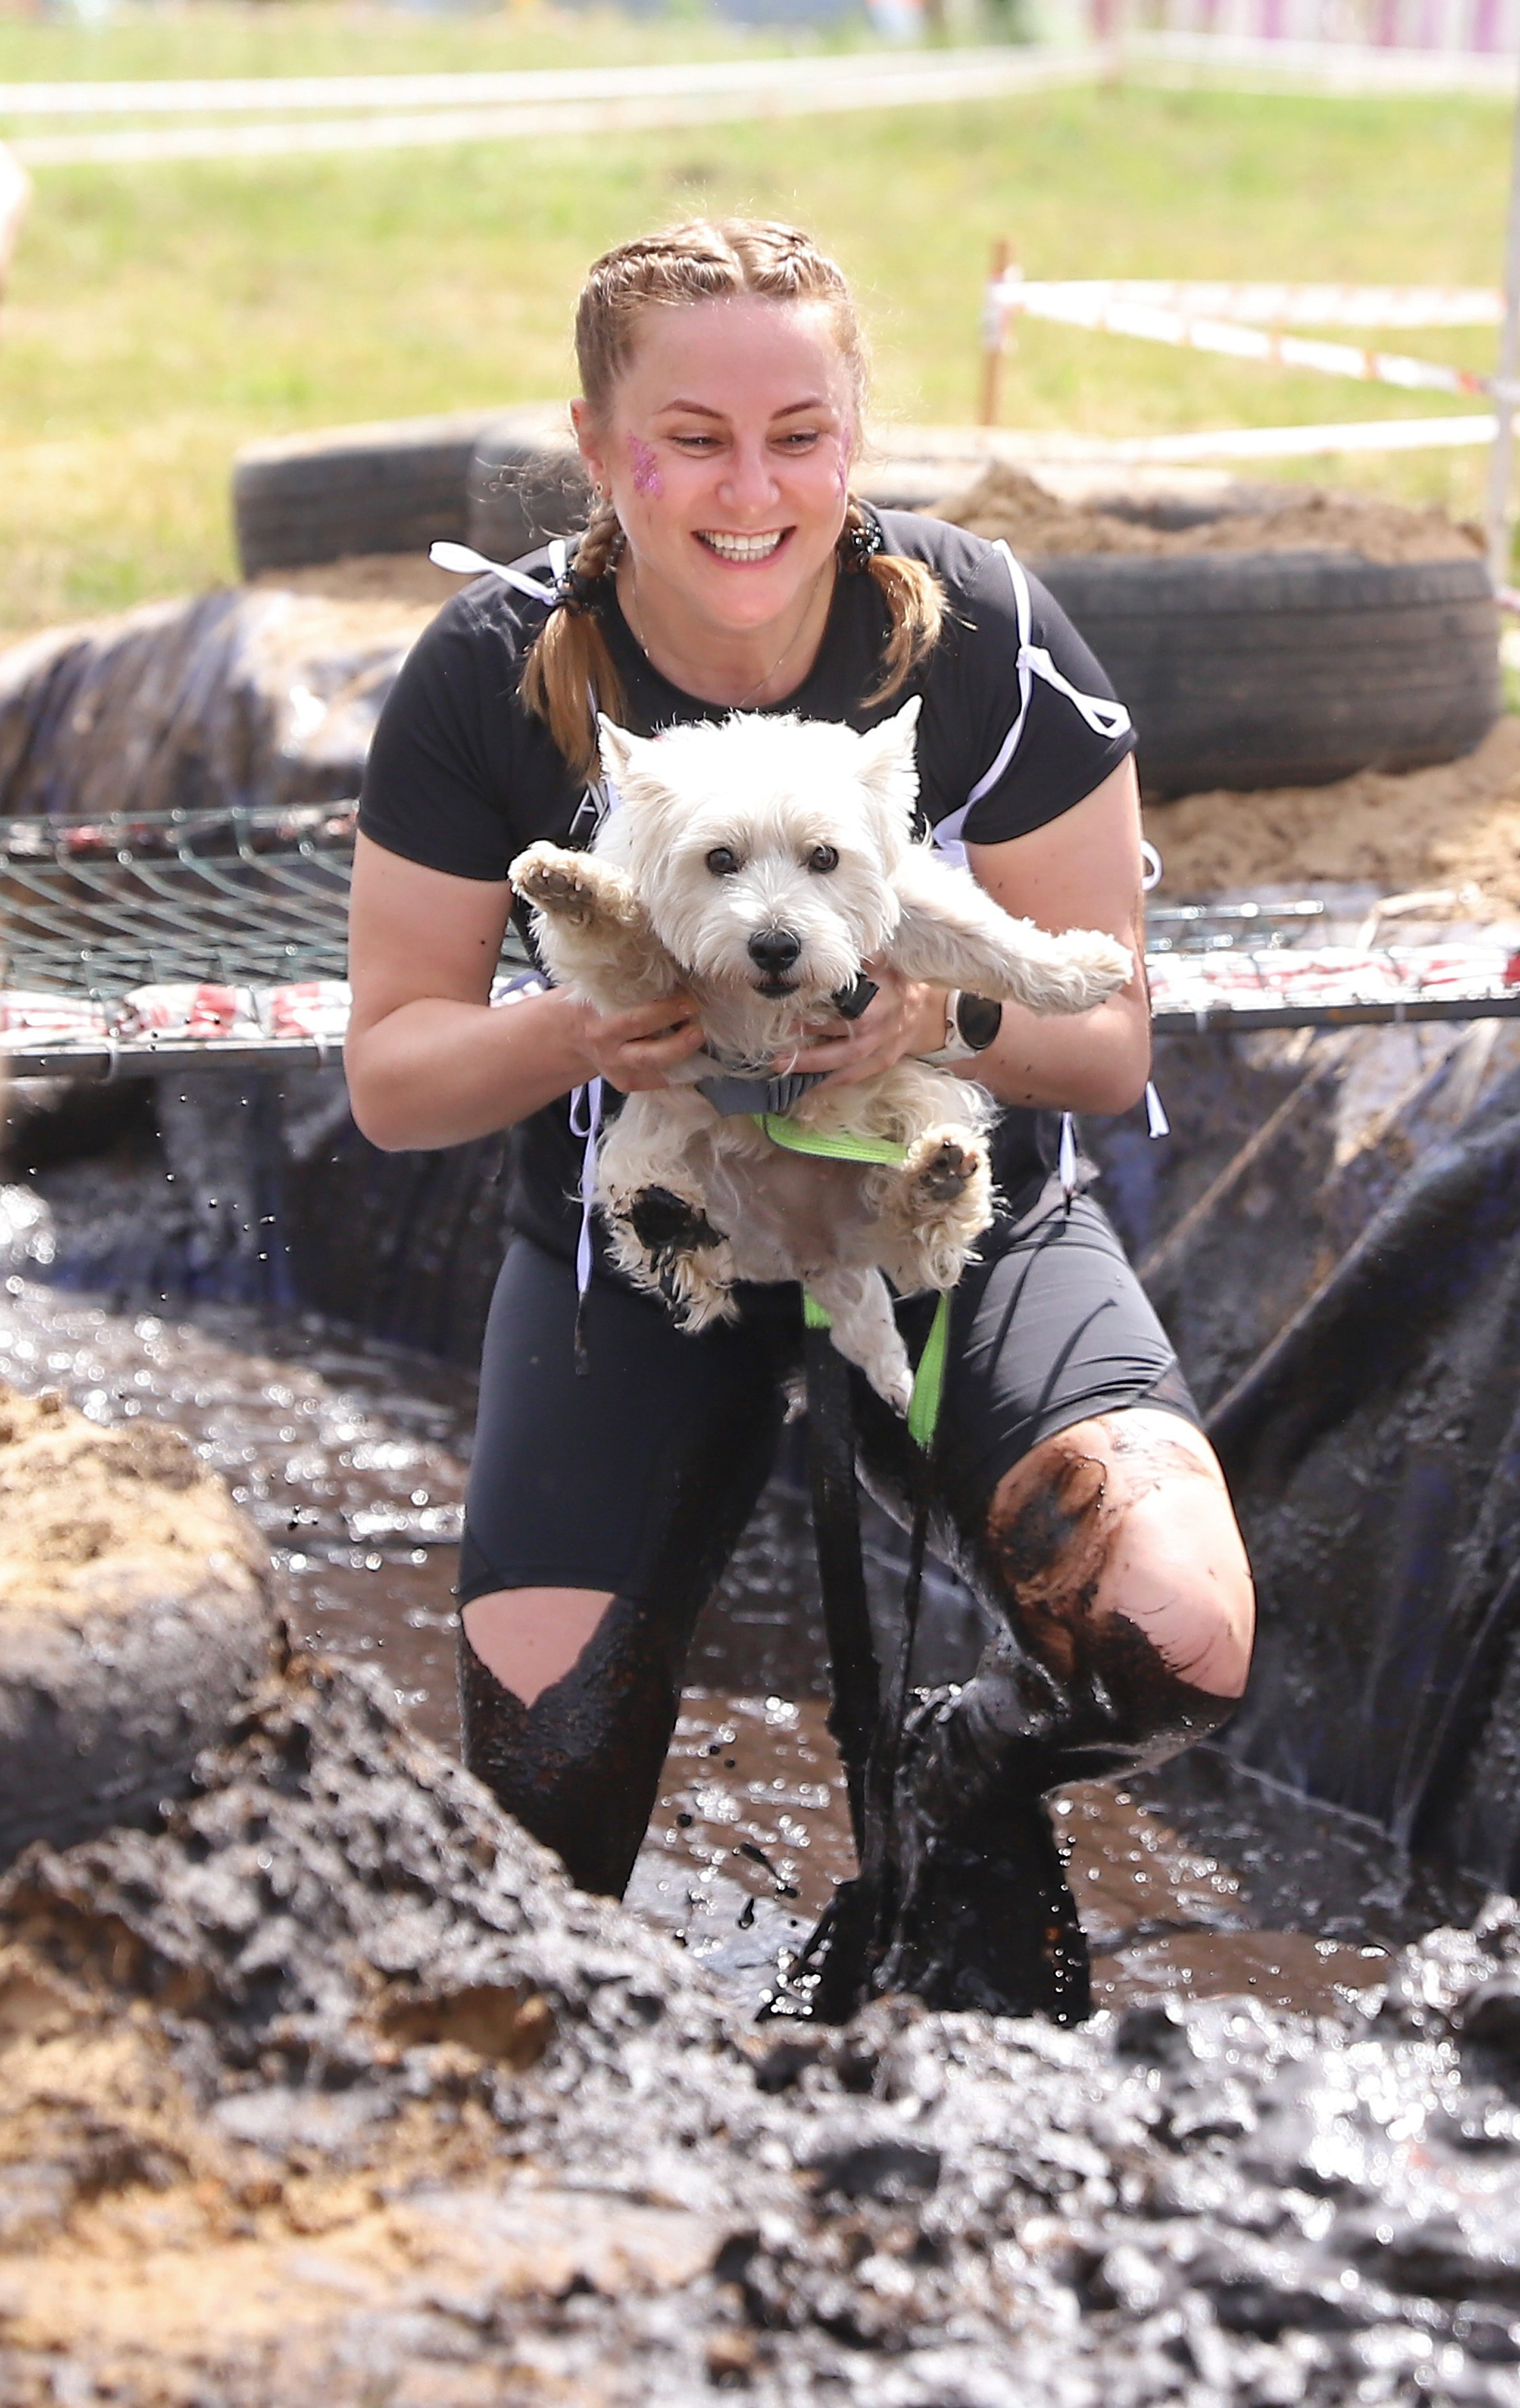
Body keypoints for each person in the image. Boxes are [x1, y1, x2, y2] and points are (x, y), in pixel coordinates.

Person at [346, 218, 1254, 2019]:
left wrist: (944, 1013)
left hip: (945, 1204)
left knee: (1178, 1644)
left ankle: (964, 1781)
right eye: (691, 436)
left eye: (800, 433)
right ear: (604, 450)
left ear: (856, 435)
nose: (750, 488)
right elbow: (391, 1075)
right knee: (537, 1828)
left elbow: (1112, 1043)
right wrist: (590, 1037)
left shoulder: (984, 628)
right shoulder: (490, 668)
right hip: (647, 1233)